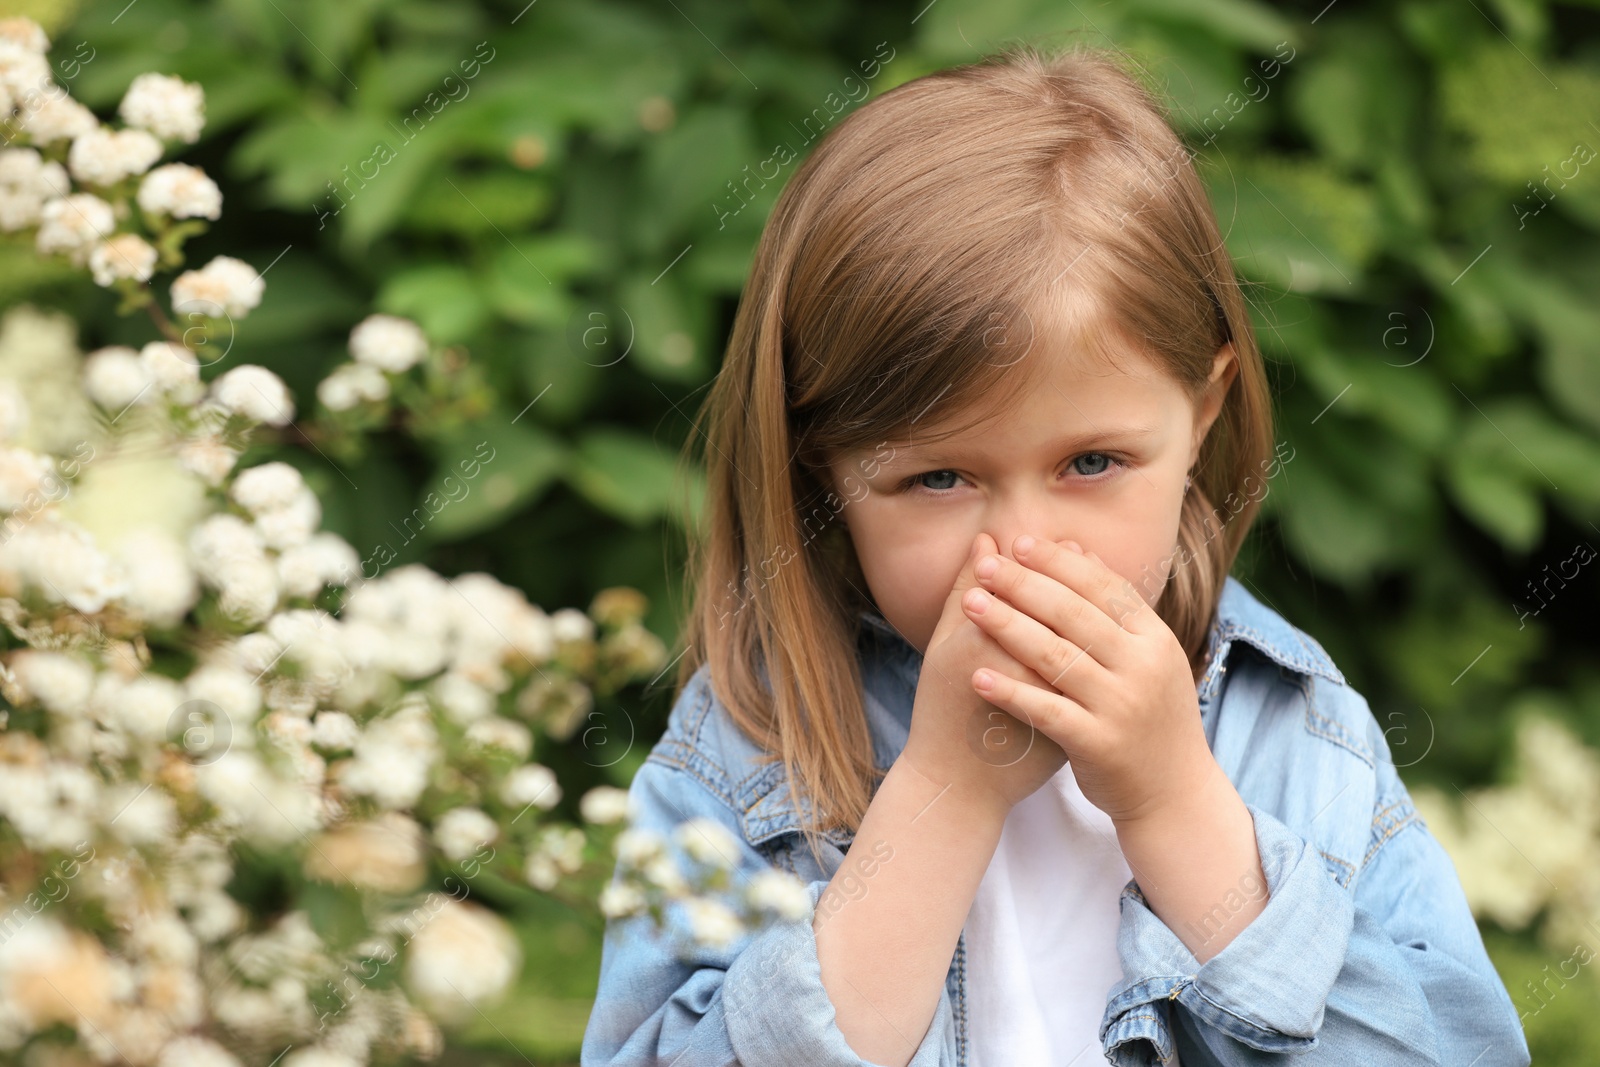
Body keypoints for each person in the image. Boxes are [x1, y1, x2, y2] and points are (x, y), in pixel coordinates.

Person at [579, 42, 1530, 1067]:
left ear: (1200, 416)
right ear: (827, 478)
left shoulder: (1296, 734)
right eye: (937, 478)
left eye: (1091, 460)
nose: (1022, 547)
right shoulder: (742, 742)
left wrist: (1176, 804)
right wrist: (942, 792)